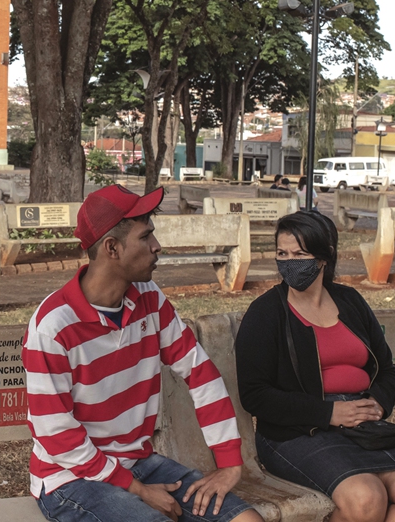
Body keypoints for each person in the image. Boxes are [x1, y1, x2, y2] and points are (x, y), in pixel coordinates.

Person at [24, 184, 260, 522]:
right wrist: (136, 489)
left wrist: (229, 463)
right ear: (112, 248)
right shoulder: (53, 326)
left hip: (138, 463)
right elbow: (57, 436)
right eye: (146, 236)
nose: (157, 246)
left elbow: (200, 372)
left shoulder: (148, 298)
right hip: (70, 479)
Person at [235, 211, 395, 522]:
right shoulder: (266, 313)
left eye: (300, 254)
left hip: (363, 426)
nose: (290, 262)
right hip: (297, 430)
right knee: (365, 496)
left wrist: (377, 403)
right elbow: (254, 395)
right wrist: (329, 413)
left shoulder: (350, 301)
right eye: (282, 254)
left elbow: (384, 367)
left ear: (324, 256)